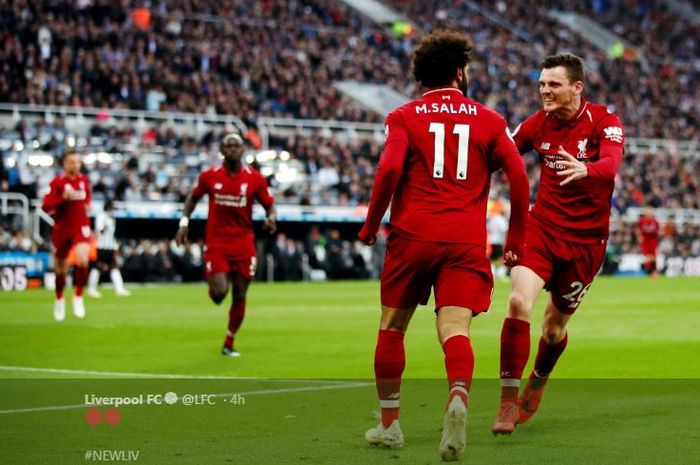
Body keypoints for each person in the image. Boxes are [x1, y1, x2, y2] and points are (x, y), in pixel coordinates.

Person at [357, 30, 529, 460]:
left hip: (412, 238)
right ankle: (457, 397)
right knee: (454, 329)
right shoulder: (490, 120)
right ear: (458, 71)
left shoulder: (403, 116)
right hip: (464, 242)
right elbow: (521, 179)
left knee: (393, 327)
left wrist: (371, 224)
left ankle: (389, 425)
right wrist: (515, 239)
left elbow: (389, 170)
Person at [491, 53, 625, 434]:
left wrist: (588, 169)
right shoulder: (537, 124)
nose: (545, 91)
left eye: (553, 84)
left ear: (576, 87)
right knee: (518, 302)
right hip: (543, 230)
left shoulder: (604, 122)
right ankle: (506, 402)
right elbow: (501, 151)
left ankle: (539, 376)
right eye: (542, 84)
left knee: (552, 330)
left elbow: (611, 164)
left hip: (586, 243)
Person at [175, 133, 276, 357]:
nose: (232, 149)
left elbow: (270, 205)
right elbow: (192, 199)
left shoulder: (255, 179)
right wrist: (184, 223)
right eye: (228, 145)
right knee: (220, 293)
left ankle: (229, 342)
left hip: (243, 245)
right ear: (221, 149)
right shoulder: (209, 176)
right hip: (217, 243)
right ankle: (215, 284)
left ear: (243, 150)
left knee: (240, 295)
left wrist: (271, 219)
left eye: (236, 145)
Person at [42, 148, 92, 321]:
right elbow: (46, 206)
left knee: (83, 259)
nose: (75, 165)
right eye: (72, 162)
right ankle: (59, 298)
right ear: (64, 163)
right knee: (60, 270)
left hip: (80, 226)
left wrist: (86, 205)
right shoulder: (57, 182)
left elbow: (87, 200)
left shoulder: (84, 181)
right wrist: (63, 197)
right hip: (62, 228)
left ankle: (78, 296)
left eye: (78, 162)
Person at [87, 199, 131, 297]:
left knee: (114, 267)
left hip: (110, 246)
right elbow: (100, 231)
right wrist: (106, 223)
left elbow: (112, 235)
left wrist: (115, 247)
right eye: (112, 208)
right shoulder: (101, 216)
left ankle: (119, 289)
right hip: (102, 246)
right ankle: (91, 289)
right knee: (98, 267)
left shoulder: (112, 219)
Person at [637, 207, 660, 279]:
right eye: (648, 211)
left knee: (653, 257)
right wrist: (639, 238)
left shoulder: (655, 221)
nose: (649, 212)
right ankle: (651, 271)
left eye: (650, 211)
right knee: (648, 257)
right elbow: (638, 230)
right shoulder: (641, 221)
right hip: (645, 241)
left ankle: (653, 272)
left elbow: (658, 231)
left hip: (653, 241)